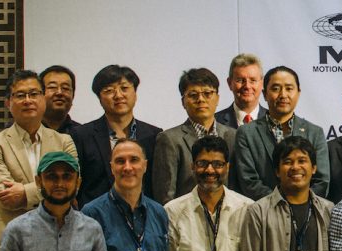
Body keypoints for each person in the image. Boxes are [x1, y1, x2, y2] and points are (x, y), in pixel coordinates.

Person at [0, 69, 78, 251]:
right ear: (8, 103)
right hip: (10, 243)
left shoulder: (64, 141)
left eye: (34, 94)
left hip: (58, 239)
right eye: (20, 95)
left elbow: (71, 186)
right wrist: (48, 189)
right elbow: (6, 196)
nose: (28, 100)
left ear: (43, 98)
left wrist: (24, 192)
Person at [70, 64, 163, 206]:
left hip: (142, 217)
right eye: (109, 90)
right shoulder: (81, 135)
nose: (118, 95)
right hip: (95, 220)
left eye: (124, 88)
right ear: (99, 98)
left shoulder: (154, 135)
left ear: (135, 94)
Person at [233, 66, 330, 200]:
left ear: (298, 93)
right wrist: (279, 204)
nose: (283, 95)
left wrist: (300, 204)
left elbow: (321, 181)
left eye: (289, 88)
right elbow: (248, 181)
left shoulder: (315, 132)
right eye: (276, 89)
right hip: (263, 213)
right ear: (265, 94)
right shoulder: (246, 133)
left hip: (307, 212)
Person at [153, 68, 237, 204]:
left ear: (217, 99)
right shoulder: (170, 139)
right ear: (183, 102)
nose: (200, 99)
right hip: (186, 219)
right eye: (193, 95)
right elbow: (165, 195)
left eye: (207, 93)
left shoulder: (233, 136)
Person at [215, 53, 267, 128]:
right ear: (229, 83)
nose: (247, 86)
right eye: (240, 80)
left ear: (262, 83)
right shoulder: (215, 121)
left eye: (253, 80)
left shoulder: (274, 120)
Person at [40, 65, 81, 133]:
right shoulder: (28, 131)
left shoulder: (82, 135)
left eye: (65, 88)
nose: (59, 93)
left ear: (73, 95)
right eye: (52, 87)